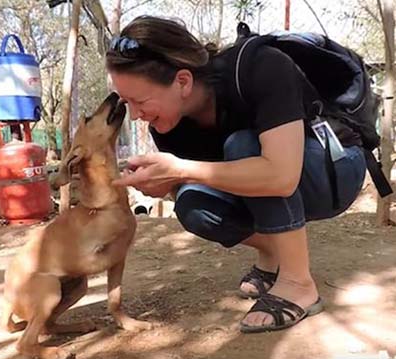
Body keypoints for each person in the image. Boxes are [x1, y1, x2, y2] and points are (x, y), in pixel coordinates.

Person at [105, 15, 366, 333]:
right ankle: (274, 251)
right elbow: (211, 179)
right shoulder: (169, 127)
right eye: (127, 102)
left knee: (244, 144)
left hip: (335, 170)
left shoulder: (258, 67)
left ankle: (298, 284)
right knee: (192, 202)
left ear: (183, 81)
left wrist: (180, 168)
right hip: (284, 179)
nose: (134, 114)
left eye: (140, 101)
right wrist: (168, 183)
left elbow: (281, 175)